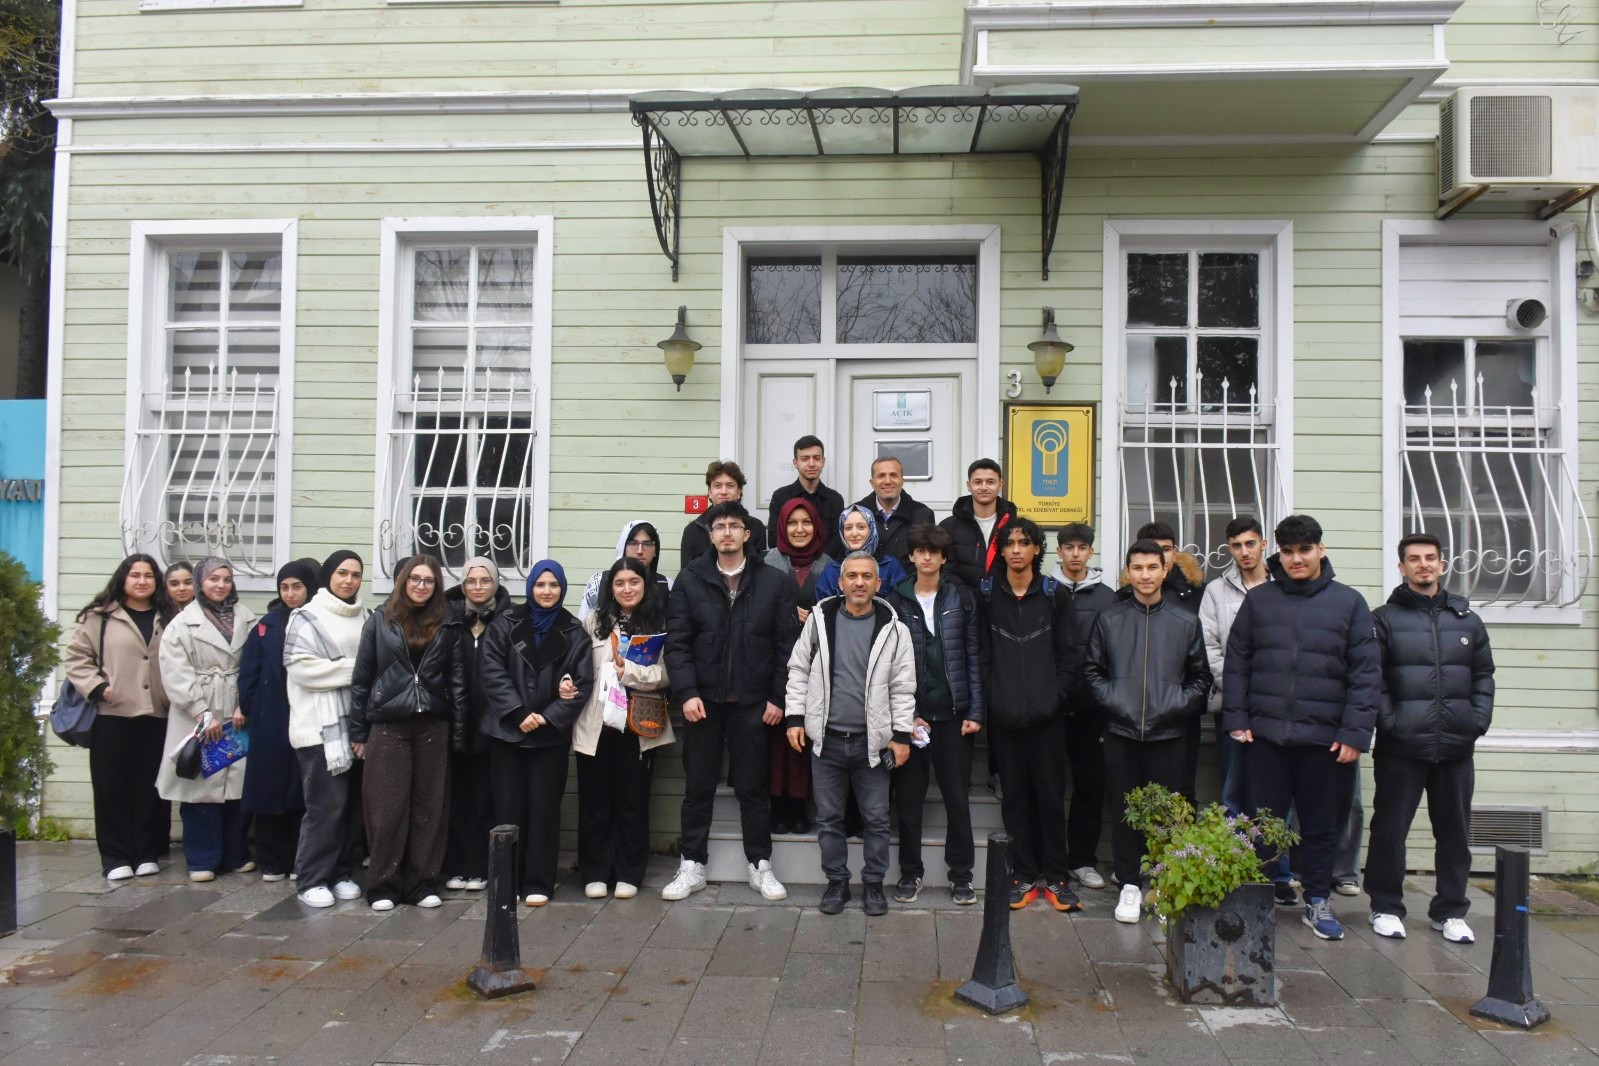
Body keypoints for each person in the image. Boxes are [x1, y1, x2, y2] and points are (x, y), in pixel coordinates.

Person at [1222, 514, 1381, 942]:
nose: (1296, 559)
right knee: (1261, 824)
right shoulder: (1260, 601)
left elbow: (1366, 675)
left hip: (1325, 741)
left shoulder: (1349, 603)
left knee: (1319, 826)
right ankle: (1256, 900)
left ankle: (1317, 899)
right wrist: (1237, 718)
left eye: (1305, 550)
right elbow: (1237, 662)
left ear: (1320, 550)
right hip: (1266, 736)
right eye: (1289, 551)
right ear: (1279, 553)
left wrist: (1354, 734)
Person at [664, 500, 799, 902]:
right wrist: (687, 692)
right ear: (710, 535)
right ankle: (692, 864)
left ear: (746, 533)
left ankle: (760, 865)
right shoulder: (690, 580)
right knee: (698, 787)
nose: (726, 532)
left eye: (734, 525)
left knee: (753, 789)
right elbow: (677, 644)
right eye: (719, 526)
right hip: (702, 704)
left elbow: (786, 647)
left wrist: (777, 698)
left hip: (753, 704)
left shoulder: (774, 582)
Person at [1366, 533, 1495, 945]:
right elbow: (1373, 679)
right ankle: (1385, 907)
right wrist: (1390, 723)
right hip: (1401, 746)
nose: (1423, 564)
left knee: (1455, 833)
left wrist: (1476, 721)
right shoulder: (1384, 619)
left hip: (1456, 746)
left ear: (1442, 564)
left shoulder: (1467, 620)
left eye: (1430, 558)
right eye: (1414, 558)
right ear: (1401, 567)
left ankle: (1450, 911)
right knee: (1390, 830)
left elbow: (1483, 676)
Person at [1086, 539, 1213, 925]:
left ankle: (1163, 883)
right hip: (1121, 732)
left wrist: (1174, 706)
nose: (1145, 575)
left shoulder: (1184, 621)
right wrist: (1118, 703)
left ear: (1165, 569)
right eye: (1137, 568)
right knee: (1125, 811)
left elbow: (1201, 677)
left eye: (1152, 567)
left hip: (1169, 735)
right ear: (1128, 572)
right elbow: (1092, 672)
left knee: (1168, 813)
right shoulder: (1110, 619)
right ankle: (1128, 883)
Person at [786, 551, 915, 916]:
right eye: (853, 576)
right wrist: (795, 718)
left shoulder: (895, 629)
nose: (859, 582)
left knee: (877, 819)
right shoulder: (820, 621)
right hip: (826, 740)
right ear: (840, 583)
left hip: (872, 743)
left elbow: (903, 687)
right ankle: (837, 882)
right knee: (829, 818)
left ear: (879, 583)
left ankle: (873, 884)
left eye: (867, 576)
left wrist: (901, 736)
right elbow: (798, 669)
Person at [349, 555, 466, 911]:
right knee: (387, 810)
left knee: (430, 808)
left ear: (437, 586)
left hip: (433, 725)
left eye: (429, 580)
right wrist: (358, 732)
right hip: (388, 725)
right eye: (415, 578)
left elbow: (458, 682)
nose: (421, 586)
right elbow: (362, 678)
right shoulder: (380, 620)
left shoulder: (449, 622)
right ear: (403, 581)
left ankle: (422, 884)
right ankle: (382, 885)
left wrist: (458, 734)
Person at [980, 518, 1079, 912]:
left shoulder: (1055, 594)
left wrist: (1055, 698)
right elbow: (982, 654)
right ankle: (1021, 875)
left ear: (1037, 549)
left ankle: (1056, 876)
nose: (1017, 549)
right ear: (1001, 550)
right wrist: (994, 697)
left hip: (1047, 718)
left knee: (1051, 798)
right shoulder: (988, 594)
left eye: (1024, 543)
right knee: (1015, 799)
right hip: (1004, 717)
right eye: (1010, 543)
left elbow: (1069, 655)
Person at [480, 560, 592, 906]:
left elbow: (582, 683)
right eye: (540, 585)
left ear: (562, 589)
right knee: (507, 808)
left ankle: (539, 882)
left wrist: (546, 717)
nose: (547, 591)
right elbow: (491, 670)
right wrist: (518, 712)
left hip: (548, 737)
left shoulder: (574, 632)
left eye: (553, 585)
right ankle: (507, 881)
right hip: (507, 733)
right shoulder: (505, 623)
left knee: (544, 811)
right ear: (530, 587)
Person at [884, 524, 983, 905]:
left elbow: (973, 655)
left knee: (957, 799)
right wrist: (905, 715)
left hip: (954, 716)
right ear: (911, 556)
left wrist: (975, 710)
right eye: (920, 551)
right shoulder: (895, 600)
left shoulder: (962, 597)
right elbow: (889, 666)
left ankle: (962, 876)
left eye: (934, 551)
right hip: (913, 718)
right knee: (909, 802)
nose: (927, 557)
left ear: (943, 558)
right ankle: (911, 873)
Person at [571, 558, 674, 899]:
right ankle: (595, 872)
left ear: (645, 585)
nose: (627, 589)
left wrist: (628, 671)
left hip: (639, 724)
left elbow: (666, 674)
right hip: (597, 724)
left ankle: (629, 872)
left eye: (634, 582)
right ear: (610, 588)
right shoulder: (593, 622)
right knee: (595, 802)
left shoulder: (658, 623)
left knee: (633, 802)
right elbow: (577, 666)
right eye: (619, 583)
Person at [65, 553, 171, 881]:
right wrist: (99, 688)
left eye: (148, 575)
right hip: (112, 715)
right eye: (135, 575)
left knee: (148, 788)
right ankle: (115, 857)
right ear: (123, 579)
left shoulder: (169, 616)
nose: (142, 581)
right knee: (111, 788)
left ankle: (145, 854)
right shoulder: (100, 616)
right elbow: (76, 657)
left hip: (157, 714)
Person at [156, 556, 256, 882]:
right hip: (198, 712)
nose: (220, 585)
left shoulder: (246, 617)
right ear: (200, 582)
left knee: (235, 787)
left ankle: (235, 854)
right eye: (213, 578)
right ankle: (202, 859)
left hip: (236, 713)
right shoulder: (182, 623)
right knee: (201, 789)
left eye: (226, 579)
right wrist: (202, 712)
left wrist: (245, 704)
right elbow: (175, 672)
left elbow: (254, 664)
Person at [284, 549, 370, 909]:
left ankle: (341, 873)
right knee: (325, 806)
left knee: (352, 807)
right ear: (328, 576)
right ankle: (312, 878)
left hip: (356, 727)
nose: (349, 580)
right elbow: (301, 668)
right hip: (320, 730)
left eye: (355, 574)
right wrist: (357, 669)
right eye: (342, 573)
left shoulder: (365, 616)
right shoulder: (306, 616)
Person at [238, 559, 318, 882]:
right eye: (284, 587)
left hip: (306, 715)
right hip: (270, 718)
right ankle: (272, 860)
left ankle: (299, 859)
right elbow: (249, 673)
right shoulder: (266, 626)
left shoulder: (317, 621)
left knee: (301, 788)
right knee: (268, 788)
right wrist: (251, 707)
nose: (290, 594)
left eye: (297, 587)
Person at [1052, 522, 1118, 890]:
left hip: (1093, 708)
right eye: (1069, 547)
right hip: (1051, 705)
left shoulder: (1108, 598)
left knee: (1090, 785)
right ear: (1059, 551)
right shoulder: (1045, 590)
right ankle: (1048, 859)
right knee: (1047, 784)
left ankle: (1081, 859)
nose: (1075, 554)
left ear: (1091, 552)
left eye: (1081, 548)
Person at [440, 556, 510, 893]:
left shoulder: (508, 618)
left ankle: (482, 866)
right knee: (457, 797)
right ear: (462, 584)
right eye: (471, 581)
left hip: (493, 724)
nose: (478, 587)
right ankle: (457, 865)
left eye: (485, 580)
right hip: (455, 722)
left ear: (495, 583)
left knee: (487, 797)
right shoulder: (448, 617)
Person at [763, 497, 833, 833]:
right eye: (792, 523)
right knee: (776, 740)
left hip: (816, 665)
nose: (800, 529)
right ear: (782, 527)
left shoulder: (830, 565)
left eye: (806, 522)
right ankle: (777, 805)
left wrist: (815, 616)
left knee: (805, 735)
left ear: (816, 527)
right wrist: (787, 613)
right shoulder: (767, 562)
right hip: (775, 663)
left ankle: (799, 806)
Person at [1198, 517, 1272, 817]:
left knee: (1274, 789)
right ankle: (1235, 846)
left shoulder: (1282, 587)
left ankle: (1273, 848)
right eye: (1237, 545)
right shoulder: (1216, 591)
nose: (1244, 551)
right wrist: (1237, 688)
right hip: (1231, 703)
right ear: (1229, 548)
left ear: (1263, 544)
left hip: (1274, 705)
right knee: (1234, 786)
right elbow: (1208, 646)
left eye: (1250, 544)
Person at [939, 459, 1017, 589]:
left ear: (1000, 485)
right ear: (969, 485)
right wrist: (965, 596)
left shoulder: (1014, 526)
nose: (984, 487)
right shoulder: (948, 527)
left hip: (1004, 597)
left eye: (990, 482)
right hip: (962, 598)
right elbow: (945, 570)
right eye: (978, 482)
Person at [853, 456, 935, 571]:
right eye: (881, 476)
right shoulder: (856, 513)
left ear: (902, 480)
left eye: (893, 475)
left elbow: (926, 559)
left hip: (907, 581)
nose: (887, 481)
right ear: (872, 482)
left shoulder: (922, 515)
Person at [766, 435, 846, 554]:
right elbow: (774, 539)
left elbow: (839, 539)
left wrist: (821, 561)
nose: (811, 464)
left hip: (826, 564)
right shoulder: (780, 497)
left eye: (816, 458)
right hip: (789, 563)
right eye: (805, 459)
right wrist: (799, 560)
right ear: (795, 463)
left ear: (823, 461)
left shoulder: (835, 499)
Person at [579, 521, 672, 622]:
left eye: (647, 544)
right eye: (633, 544)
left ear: (655, 550)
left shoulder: (667, 585)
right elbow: (583, 624)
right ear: (623, 547)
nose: (640, 551)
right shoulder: (598, 582)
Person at [681, 461, 767, 569]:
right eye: (717, 486)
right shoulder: (693, 530)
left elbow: (759, 570)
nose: (723, 492)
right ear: (710, 492)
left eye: (730, 486)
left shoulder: (756, 527)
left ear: (739, 492)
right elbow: (687, 574)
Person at [815, 505, 907, 600]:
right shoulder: (830, 572)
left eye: (861, 527)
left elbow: (900, 603)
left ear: (871, 529)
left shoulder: (891, 567)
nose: (854, 533)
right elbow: (823, 606)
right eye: (848, 528)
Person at [1126, 521, 1205, 616]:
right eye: (1153, 549)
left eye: (1166, 549)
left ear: (1174, 553)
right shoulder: (1123, 596)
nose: (1161, 555)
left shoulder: (1200, 593)